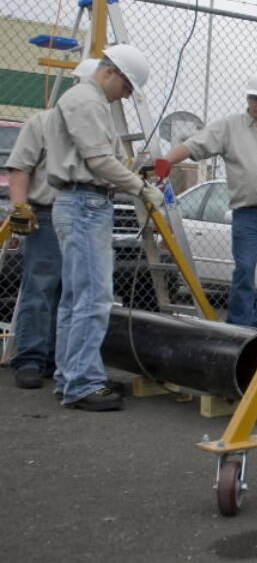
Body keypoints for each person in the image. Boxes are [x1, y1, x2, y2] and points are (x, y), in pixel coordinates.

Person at [42, 45, 160, 410]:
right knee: (93, 299)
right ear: (111, 73)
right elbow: (98, 160)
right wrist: (141, 187)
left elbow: (97, 158)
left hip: (81, 202)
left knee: (76, 300)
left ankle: (73, 376)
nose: (125, 96)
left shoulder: (84, 101)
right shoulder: (88, 101)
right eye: (126, 88)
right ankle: (82, 384)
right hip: (85, 204)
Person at [160, 71, 257, 330]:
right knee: (244, 269)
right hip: (247, 214)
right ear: (247, 98)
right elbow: (193, 145)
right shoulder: (228, 127)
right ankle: (238, 329)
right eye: (254, 98)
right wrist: (165, 162)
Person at [4, 60, 99, 388]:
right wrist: (20, 207)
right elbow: (20, 167)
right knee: (41, 288)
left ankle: (56, 360)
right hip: (46, 213)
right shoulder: (42, 123)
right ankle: (29, 358)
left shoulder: (95, 127)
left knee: (71, 293)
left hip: (83, 218)